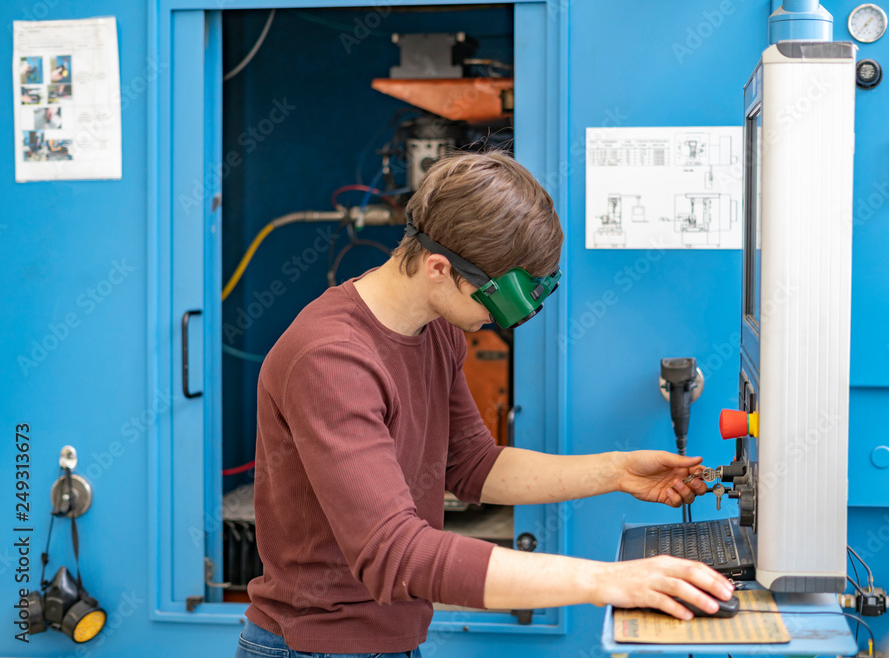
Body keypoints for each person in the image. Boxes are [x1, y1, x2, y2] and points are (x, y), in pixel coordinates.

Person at [236, 151, 733, 658]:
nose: (499, 321)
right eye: (494, 301)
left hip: (388, 643)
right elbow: (393, 553)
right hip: (314, 647)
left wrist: (617, 471)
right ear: (438, 268)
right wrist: (607, 582)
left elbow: (471, 464)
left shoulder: (437, 331)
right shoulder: (332, 359)